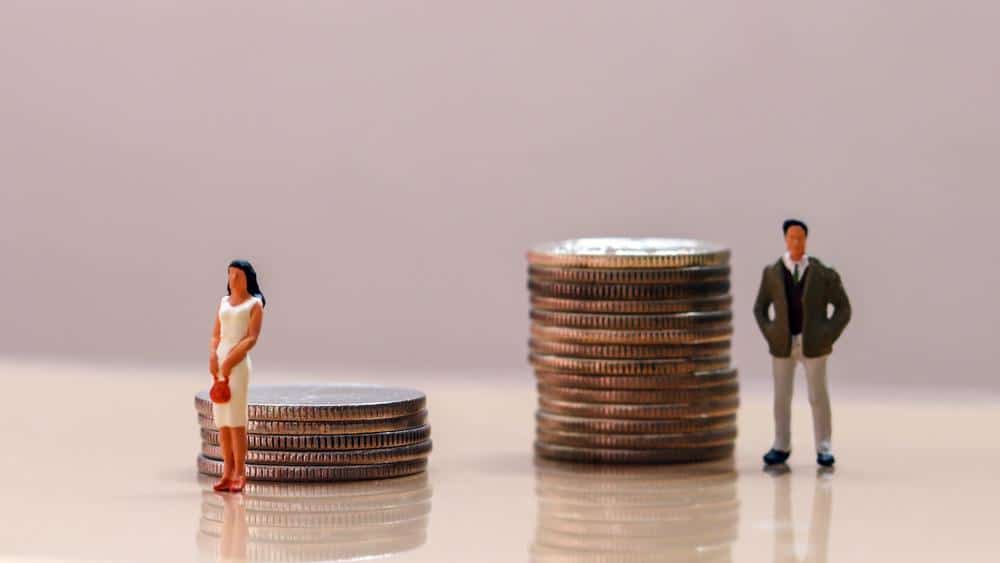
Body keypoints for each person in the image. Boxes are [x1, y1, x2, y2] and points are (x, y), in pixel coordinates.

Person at [753, 219, 851, 467]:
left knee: (818, 396)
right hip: (783, 346)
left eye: (800, 237)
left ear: (806, 240)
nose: (796, 242)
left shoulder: (822, 273)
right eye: (792, 237)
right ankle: (781, 444)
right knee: (781, 397)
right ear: (785, 239)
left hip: (813, 346)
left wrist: (827, 334)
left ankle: (824, 446)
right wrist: (772, 332)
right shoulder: (772, 273)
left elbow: (843, 308)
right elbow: (760, 308)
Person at [209, 259, 265, 492]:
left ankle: (240, 473)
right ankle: (227, 470)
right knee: (222, 421)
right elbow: (216, 333)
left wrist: (232, 359)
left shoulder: (254, 305)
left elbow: (251, 338)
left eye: (238, 275)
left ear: (247, 279)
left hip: (238, 364)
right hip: (220, 362)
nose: (233, 279)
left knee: (236, 420)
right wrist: (214, 355)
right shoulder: (223, 302)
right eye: (230, 274)